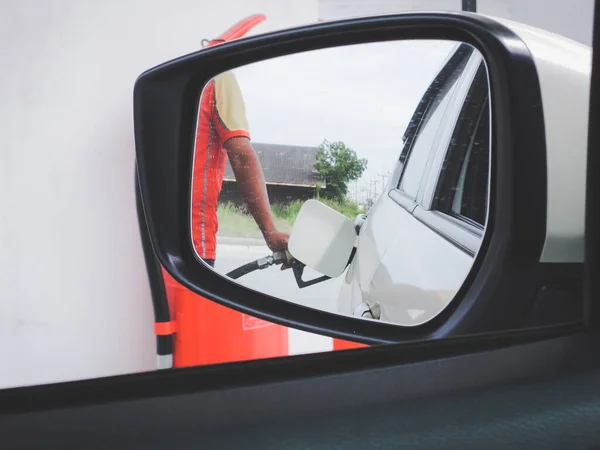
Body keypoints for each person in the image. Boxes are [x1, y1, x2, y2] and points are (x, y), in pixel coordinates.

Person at [191, 39, 289, 268]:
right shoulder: (216, 76)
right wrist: (270, 233)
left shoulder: (158, 76)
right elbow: (241, 155)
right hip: (193, 243)